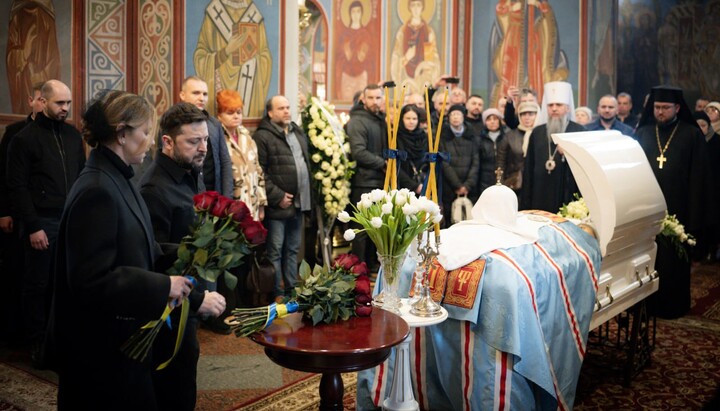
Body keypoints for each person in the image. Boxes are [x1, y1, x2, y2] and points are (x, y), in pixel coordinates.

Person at [49, 90, 196, 409]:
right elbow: (90, 279)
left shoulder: (119, 176)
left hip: (119, 340)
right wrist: (163, 285)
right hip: (100, 348)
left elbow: (138, 244)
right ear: (121, 133)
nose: (150, 141)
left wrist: (190, 252)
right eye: (145, 132)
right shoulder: (98, 189)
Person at [139, 102, 226, 409]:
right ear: (167, 141)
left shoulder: (191, 173)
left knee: (185, 377)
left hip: (186, 301)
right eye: (193, 141)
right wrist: (198, 298)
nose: (203, 148)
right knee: (173, 389)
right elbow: (155, 259)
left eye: (206, 140)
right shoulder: (154, 189)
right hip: (168, 310)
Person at [6, 79, 85, 365]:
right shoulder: (24, 139)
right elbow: (17, 187)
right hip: (42, 221)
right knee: (38, 284)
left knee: (66, 283)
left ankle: (61, 338)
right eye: (59, 103)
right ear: (42, 102)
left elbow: (82, 175)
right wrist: (33, 225)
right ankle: (37, 342)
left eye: (68, 103)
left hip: (69, 219)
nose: (65, 108)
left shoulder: (73, 135)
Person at [635, 86, 711, 318]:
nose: (660, 112)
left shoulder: (691, 134)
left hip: (679, 209)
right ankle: (644, 305)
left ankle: (672, 306)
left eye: (665, 107)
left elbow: (699, 178)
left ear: (677, 108)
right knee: (646, 259)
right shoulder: (643, 133)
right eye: (657, 107)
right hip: (647, 209)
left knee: (673, 261)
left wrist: (695, 218)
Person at [253, 95, 312, 300]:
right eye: (281, 108)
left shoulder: (296, 131)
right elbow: (259, 172)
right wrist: (277, 196)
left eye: (288, 107)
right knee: (275, 251)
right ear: (270, 113)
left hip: (298, 202)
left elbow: (304, 163)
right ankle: (277, 294)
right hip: (278, 205)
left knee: (293, 249)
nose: (286, 111)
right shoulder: (262, 136)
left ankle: (291, 291)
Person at [0, 81, 44, 345]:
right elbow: (5, 177)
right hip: (16, 214)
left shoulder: (61, 134)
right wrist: (3, 211)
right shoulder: (15, 132)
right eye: (40, 100)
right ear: (31, 101)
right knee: (17, 270)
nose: (43, 105)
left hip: (43, 215)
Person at [193, 0, 271, 117]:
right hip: (219, 82)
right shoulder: (214, 11)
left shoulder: (254, 15)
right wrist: (226, 51)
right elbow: (200, 56)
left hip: (247, 81)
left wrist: (250, 61)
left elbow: (265, 57)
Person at [520, 80, 585, 212]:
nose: (554, 108)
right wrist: (525, 203)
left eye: (559, 105)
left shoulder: (579, 132)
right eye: (550, 105)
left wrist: (569, 153)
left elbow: (585, 168)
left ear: (567, 108)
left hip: (566, 193)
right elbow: (528, 170)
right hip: (539, 194)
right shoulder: (537, 132)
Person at [346, 84, 387, 266]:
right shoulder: (358, 121)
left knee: (376, 227)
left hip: (378, 181)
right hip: (364, 182)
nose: (374, 101)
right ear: (363, 99)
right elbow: (359, 152)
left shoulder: (380, 119)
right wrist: (383, 163)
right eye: (370, 98)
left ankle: (371, 265)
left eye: (378, 97)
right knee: (362, 229)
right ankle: (359, 270)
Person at [177, 76, 233, 198]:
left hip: (214, 195)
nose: (201, 98)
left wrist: (227, 199)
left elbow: (225, 162)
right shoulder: (173, 124)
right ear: (182, 95)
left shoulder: (214, 124)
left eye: (205, 94)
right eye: (196, 93)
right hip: (187, 195)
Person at [216, 90, 267, 220]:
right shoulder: (218, 137)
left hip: (252, 205)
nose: (236, 116)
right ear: (219, 115)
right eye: (230, 113)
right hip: (231, 208)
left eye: (239, 112)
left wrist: (261, 203)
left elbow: (258, 170)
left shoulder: (247, 137)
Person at [5, 0, 60, 114]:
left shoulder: (46, 16)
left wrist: (38, 77)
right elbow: (10, 60)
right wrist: (25, 52)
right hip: (22, 88)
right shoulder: (17, 16)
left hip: (39, 85)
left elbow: (54, 61)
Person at [439, 104, 480, 225]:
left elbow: (476, 162)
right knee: (450, 221)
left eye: (458, 114)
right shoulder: (442, 136)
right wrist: (457, 185)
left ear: (463, 117)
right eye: (452, 114)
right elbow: (444, 163)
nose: (455, 117)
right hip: (449, 187)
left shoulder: (472, 136)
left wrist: (467, 185)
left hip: (470, 188)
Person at [390, 0, 441, 93]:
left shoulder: (428, 32)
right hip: (406, 77)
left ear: (422, 7)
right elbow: (396, 58)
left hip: (423, 78)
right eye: (413, 5)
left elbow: (431, 60)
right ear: (409, 8)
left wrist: (423, 68)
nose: (416, 9)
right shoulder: (402, 32)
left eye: (418, 5)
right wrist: (406, 58)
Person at [334, 0, 378, 101]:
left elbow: (371, 58)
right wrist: (345, 54)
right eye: (353, 11)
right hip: (346, 75)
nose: (356, 15)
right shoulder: (344, 35)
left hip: (362, 75)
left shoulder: (366, 35)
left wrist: (363, 56)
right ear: (350, 14)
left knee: (362, 101)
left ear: (362, 13)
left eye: (358, 11)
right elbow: (339, 57)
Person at [497, 101, 538, 195]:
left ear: (537, 115)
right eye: (523, 114)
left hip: (537, 184)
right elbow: (501, 162)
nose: (527, 117)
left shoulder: (542, 135)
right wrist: (500, 184)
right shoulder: (510, 136)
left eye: (531, 114)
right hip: (514, 184)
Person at [396, 104, 427, 195]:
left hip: (423, 185)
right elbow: (394, 165)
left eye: (414, 119)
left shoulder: (423, 137)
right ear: (402, 119)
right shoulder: (395, 137)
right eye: (408, 118)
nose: (411, 122)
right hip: (401, 186)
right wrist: (413, 186)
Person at [477, 108, 506, 195]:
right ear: (485, 122)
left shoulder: (506, 137)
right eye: (489, 119)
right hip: (485, 179)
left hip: (504, 178)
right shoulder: (480, 139)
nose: (492, 122)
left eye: (495, 119)